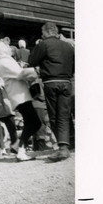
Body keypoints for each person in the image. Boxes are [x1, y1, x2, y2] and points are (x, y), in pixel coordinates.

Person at [28, 22, 75, 161]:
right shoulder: (68, 46)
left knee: (55, 115)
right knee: (65, 113)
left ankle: (63, 148)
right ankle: (71, 142)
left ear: (46, 32)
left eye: (42, 33)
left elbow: (31, 61)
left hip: (51, 82)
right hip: (66, 82)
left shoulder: (44, 44)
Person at [0, 42, 41, 162]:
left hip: (19, 95)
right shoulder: (5, 61)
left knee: (31, 122)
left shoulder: (3, 61)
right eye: (8, 47)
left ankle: (18, 147)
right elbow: (20, 74)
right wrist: (35, 72)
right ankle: (20, 149)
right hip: (19, 95)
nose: (11, 49)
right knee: (35, 123)